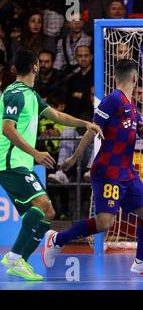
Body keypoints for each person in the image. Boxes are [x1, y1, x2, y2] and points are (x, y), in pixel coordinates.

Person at [42, 59, 143, 277]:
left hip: (126, 172)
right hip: (108, 171)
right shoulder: (113, 100)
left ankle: (141, 261)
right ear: (135, 78)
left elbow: (138, 132)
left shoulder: (130, 103)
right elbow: (92, 129)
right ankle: (56, 240)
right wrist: (73, 158)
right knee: (104, 223)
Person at [0, 49, 102, 281]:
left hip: (20, 164)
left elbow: (57, 115)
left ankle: (19, 261)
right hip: (10, 163)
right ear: (35, 66)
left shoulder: (30, 94)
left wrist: (85, 123)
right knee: (43, 203)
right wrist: (35, 153)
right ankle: (15, 256)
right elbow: (7, 128)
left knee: (47, 213)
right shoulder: (15, 94)